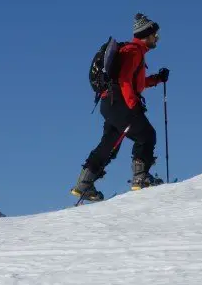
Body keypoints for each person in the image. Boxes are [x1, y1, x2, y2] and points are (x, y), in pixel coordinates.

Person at [71, 13, 169, 201]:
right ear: (146, 35)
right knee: (147, 135)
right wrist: (133, 105)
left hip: (110, 104)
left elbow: (133, 81)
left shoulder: (132, 51)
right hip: (120, 103)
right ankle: (141, 178)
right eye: (155, 35)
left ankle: (84, 183)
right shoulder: (134, 51)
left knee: (109, 143)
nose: (157, 38)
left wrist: (156, 79)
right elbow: (124, 80)